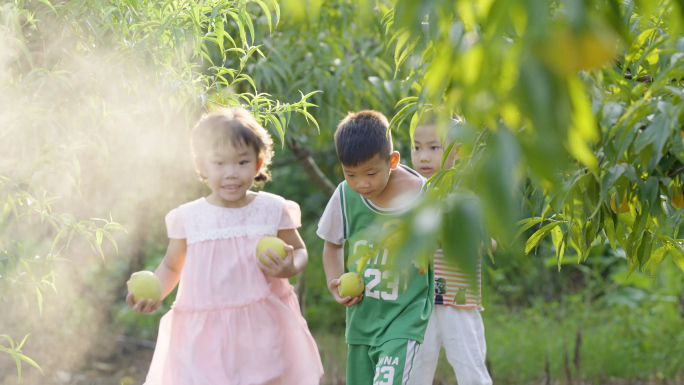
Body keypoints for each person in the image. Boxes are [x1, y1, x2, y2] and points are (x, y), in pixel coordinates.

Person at [126, 107, 323, 385]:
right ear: (202, 165)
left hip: (262, 331)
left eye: (242, 162)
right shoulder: (189, 217)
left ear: (258, 164)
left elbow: (300, 251)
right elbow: (171, 265)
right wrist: (154, 293)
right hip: (206, 337)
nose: (231, 173)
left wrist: (289, 266)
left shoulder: (272, 209)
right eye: (219, 163)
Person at [317, 110, 433, 385]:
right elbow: (332, 244)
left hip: (404, 317)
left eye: (371, 172)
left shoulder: (424, 194)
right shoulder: (345, 195)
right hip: (361, 321)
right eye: (351, 174)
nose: (362, 183)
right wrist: (333, 282)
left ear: (392, 161)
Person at [409, 112, 493, 385]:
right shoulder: (407, 193)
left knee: (471, 371)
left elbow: (490, 242)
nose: (423, 156)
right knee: (411, 374)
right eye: (417, 147)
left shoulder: (467, 193)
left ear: (458, 150)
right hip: (417, 303)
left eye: (434, 147)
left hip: (460, 301)